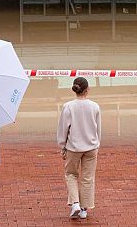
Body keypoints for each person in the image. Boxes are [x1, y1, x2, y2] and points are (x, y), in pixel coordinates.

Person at [57, 77, 102, 220]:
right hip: (91, 146)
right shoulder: (95, 106)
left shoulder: (68, 106)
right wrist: (97, 143)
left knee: (71, 175)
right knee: (88, 178)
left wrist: (62, 145)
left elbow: (63, 128)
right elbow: (98, 128)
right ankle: (84, 209)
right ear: (87, 90)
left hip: (74, 147)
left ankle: (75, 203)